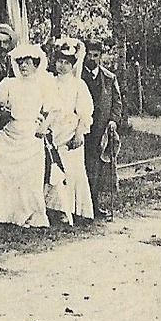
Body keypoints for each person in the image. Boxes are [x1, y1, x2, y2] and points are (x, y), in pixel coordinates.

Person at [0, 43, 53, 228]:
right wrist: (1, 105)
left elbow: (52, 110)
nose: (23, 66)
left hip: (31, 134)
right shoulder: (9, 83)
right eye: (20, 62)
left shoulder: (43, 84)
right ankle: (2, 209)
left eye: (28, 63)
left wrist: (44, 126)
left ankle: (29, 213)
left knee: (30, 176)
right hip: (12, 130)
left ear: (36, 64)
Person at [45, 38, 94, 225]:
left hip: (70, 132)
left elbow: (85, 112)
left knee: (71, 170)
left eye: (67, 63)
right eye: (59, 61)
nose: (62, 66)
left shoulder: (78, 85)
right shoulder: (49, 81)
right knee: (52, 168)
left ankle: (70, 209)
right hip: (52, 130)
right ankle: (52, 207)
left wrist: (79, 133)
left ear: (73, 64)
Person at [80, 38, 126, 220]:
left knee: (97, 169)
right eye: (89, 55)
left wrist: (114, 121)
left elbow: (117, 103)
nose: (92, 59)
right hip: (82, 128)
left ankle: (95, 205)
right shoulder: (78, 77)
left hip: (100, 130)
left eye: (96, 55)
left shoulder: (109, 78)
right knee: (81, 168)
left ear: (101, 56)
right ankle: (80, 207)